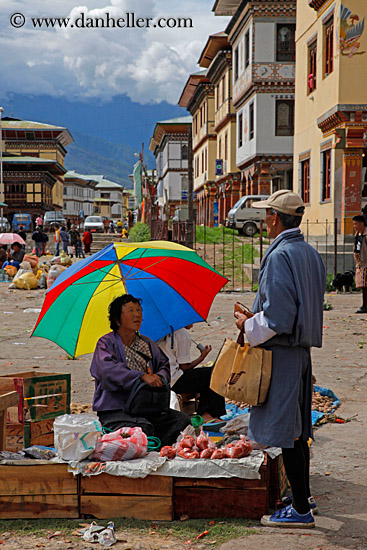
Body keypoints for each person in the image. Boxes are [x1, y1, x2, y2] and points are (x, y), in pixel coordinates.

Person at [234, 190, 326, 529]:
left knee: (287, 430)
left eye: (265, 214)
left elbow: (278, 318)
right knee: (298, 429)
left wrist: (247, 324)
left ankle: (300, 508)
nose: (262, 220)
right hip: (301, 353)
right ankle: (303, 496)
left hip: (284, 352)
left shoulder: (279, 256)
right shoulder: (309, 253)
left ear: (274, 218)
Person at [90, 294, 191, 447]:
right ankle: (146, 447)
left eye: (139, 310)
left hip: (146, 407)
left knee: (181, 420)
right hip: (116, 409)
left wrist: (158, 377)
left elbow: (164, 365)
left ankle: (158, 449)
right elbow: (107, 370)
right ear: (117, 319)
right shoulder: (106, 343)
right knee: (142, 428)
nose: (137, 314)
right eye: (130, 310)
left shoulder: (146, 343)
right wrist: (141, 377)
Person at [158, 326, 226, 423]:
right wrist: (201, 357)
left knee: (203, 376)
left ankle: (206, 412)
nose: (193, 324)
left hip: (163, 379)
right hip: (175, 381)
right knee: (214, 373)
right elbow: (184, 367)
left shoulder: (162, 332)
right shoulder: (181, 333)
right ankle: (209, 414)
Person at [352, 215, 367, 313]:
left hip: (366, 263)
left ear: (362, 224)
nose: (354, 226)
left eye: (356, 224)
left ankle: (365, 306)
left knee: (365, 286)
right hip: (360, 264)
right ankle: (364, 305)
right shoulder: (358, 235)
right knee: (363, 286)